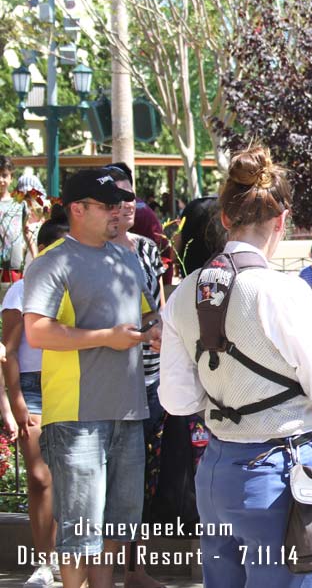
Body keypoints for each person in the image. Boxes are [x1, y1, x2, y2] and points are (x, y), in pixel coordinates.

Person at [159, 146, 312, 588]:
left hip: (216, 473)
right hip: (282, 476)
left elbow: (177, 400)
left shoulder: (183, 294)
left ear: (224, 219)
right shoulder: (282, 292)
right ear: (282, 222)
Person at [22, 168, 159, 588]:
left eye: (120, 204)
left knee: (117, 529)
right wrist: (108, 339)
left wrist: (154, 330)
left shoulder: (124, 258)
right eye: (108, 205)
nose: (118, 211)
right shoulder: (52, 262)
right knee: (80, 534)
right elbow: (36, 331)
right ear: (78, 209)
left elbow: (142, 316)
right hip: (77, 417)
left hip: (128, 410)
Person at [102, 165, 167, 588]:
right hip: (105, 386)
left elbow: (158, 306)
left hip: (150, 383)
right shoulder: (87, 252)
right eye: (116, 199)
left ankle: (134, 570)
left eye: (130, 197)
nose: (126, 204)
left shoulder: (146, 249)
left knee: (141, 482)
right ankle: (98, 572)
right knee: (103, 485)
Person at [2, 218, 67, 588]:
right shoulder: (21, 292)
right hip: (33, 386)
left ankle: (67, 557)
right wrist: (14, 403)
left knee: (71, 475)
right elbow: (7, 351)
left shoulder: (75, 288)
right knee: (41, 477)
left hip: (72, 384)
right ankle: (45, 561)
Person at [172, 196, 225, 277]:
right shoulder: (227, 209)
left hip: (190, 278)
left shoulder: (192, 206)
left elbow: (174, 253)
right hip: (221, 278)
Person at [0, 155, 26, 284]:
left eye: (4, 175)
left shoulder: (19, 204)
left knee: (12, 301)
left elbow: (26, 231)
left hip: (14, 262)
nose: (1, 180)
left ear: (11, 178)